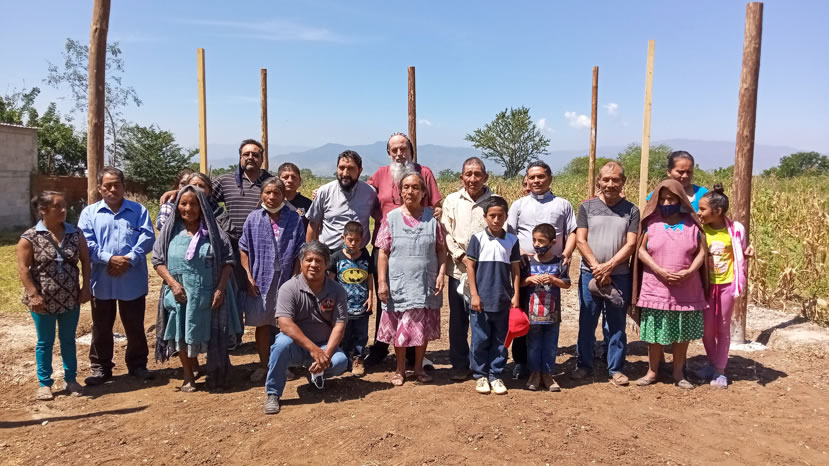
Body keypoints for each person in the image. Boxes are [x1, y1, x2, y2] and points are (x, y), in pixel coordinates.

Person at [151, 186, 239, 391]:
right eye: (183, 203)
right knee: (181, 332)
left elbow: (228, 261)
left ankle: (215, 374)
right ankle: (188, 375)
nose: (188, 208)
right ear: (177, 206)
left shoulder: (213, 231)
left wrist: (220, 289)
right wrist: (173, 285)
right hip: (179, 294)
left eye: (193, 204)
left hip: (208, 293)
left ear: (202, 207)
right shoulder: (170, 231)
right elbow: (157, 260)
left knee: (213, 333)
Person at [365, 132, 442, 366]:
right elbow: (361, 195)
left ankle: (412, 352)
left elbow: (437, 206)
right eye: (394, 150)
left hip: (419, 245)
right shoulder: (380, 174)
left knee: (418, 300)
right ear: (388, 153)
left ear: (411, 151)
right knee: (387, 297)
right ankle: (380, 347)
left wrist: (437, 214)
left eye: (403, 149)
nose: (399, 154)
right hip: (387, 244)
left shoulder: (424, 172)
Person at [78, 167, 156, 385]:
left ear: (124, 186)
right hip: (102, 280)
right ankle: (100, 368)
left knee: (135, 325)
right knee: (101, 326)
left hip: (132, 278)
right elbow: (86, 243)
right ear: (100, 188)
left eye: (117, 185)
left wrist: (128, 259)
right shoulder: (89, 213)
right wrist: (109, 259)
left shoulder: (138, 210)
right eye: (107, 186)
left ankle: (138, 365)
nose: (112, 189)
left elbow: (147, 237)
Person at [631, 180, 710, 390]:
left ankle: (678, 373)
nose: (667, 203)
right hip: (655, 288)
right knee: (655, 333)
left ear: (681, 200)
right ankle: (652, 371)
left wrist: (690, 271)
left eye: (672, 199)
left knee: (682, 333)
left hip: (687, 289)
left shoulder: (692, 224)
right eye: (663, 199)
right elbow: (640, 250)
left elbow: (702, 252)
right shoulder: (651, 223)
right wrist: (658, 269)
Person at [16, 191, 92, 400]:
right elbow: (23, 268)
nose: (63, 210)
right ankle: (44, 384)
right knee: (45, 342)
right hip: (42, 301)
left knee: (68, 340)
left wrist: (86, 288)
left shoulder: (75, 233)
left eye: (64, 205)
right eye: (57, 206)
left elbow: (86, 261)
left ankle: (71, 380)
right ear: (43, 210)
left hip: (70, 297)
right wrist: (33, 295)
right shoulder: (30, 237)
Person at [506, 160, 577, 379]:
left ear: (549, 178)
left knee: (547, 313)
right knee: (522, 314)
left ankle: (545, 367)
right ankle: (522, 362)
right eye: (532, 177)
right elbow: (510, 233)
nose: (536, 181)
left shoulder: (562, 204)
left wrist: (567, 253)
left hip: (552, 267)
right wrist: (519, 254)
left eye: (540, 176)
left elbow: (572, 232)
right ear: (527, 179)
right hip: (525, 266)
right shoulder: (519, 205)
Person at [572, 161, 639, 386]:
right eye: (606, 179)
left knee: (616, 323)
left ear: (623, 182)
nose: (610, 184)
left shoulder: (632, 210)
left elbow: (631, 244)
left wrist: (609, 266)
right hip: (589, 274)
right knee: (587, 320)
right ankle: (584, 364)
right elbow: (581, 240)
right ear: (599, 181)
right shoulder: (586, 207)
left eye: (616, 179)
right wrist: (596, 267)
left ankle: (616, 368)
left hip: (619, 275)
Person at [376, 171, 446, 386]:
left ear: (423, 192)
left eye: (415, 187)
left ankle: (418, 368)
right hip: (399, 282)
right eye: (406, 187)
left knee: (421, 326)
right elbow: (383, 252)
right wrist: (382, 282)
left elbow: (441, 249)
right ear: (400, 191)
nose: (410, 191)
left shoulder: (432, 219)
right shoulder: (391, 218)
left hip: (425, 282)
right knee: (400, 326)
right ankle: (400, 369)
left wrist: (441, 273)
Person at [263, 241, 349, 415]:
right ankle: (273, 393)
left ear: (326, 264)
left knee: (340, 361)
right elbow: (285, 324)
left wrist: (325, 355)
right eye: (309, 260)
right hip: (296, 347)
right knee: (280, 345)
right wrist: (313, 350)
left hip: (323, 344)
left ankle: (315, 374)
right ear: (301, 262)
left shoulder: (337, 290)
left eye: (319, 261)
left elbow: (339, 326)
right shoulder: (289, 288)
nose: (313, 265)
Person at [239, 178, 306, 383]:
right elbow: (244, 248)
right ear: (261, 194)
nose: (271, 197)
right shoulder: (253, 218)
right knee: (262, 323)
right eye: (267, 192)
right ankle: (264, 364)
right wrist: (249, 276)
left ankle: (282, 365)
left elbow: (300, 250)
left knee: (284, 324)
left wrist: (295, 277)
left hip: (285, 278)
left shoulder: (294, 218)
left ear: (283, 196)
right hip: (260, 278)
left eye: (276, 193)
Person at [440, 157, 495, 381]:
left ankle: (482, 364)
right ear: (461, 177)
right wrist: (460, 255)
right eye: (468, 174)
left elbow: (501, 232)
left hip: (486, 271)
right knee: (458, 320)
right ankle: (460, 364)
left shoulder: (495, 201)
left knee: (484, 319)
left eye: (477, 174)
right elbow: (446, 232)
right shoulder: (452, 201)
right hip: (458, 269)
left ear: (485, 177)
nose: (473, 179)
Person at [696, 183, 753, 388]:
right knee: (706, 329)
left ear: (718, 211)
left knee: (722, 327)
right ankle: (712, 363)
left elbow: (741, 253)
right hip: (705, 286)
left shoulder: (736, 230)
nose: (698, 212)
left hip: (727, 285)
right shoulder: (700, 229)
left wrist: (748, 253)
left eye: (702, 209)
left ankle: (720, 370)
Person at [466, 196, 521, 395]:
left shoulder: (512, 241)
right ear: (485, 217)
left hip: (503, 300)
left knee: (501, 340)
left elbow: (515, 270)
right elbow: (470, 267)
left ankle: (496, 374)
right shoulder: (477, 239)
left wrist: (516, 294)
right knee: (480, 339)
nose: (496, 220)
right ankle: (480, 375)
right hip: (481, 300)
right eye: (492, 216)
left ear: (506, 216)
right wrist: (474, 294)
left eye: (500, 216)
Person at [520, 223, 570, 392]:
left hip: (552, 314)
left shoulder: (560, 262)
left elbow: (567, 283)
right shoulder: (528, 262)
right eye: (534, 240)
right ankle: (534, 374)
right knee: (533, 344)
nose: (536, 244)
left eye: (541, 241)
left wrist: (554, 280)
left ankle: (548, 374)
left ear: (552, 242)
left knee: (550, 344)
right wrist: (528, 280)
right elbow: (519, 282)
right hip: (532, 314)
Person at [306, 150, 379, 252]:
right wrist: (311, 253)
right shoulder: (324, 192)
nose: (345, 173)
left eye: (351, 168)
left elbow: (379, 218)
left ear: (360, 171)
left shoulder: (370, 192)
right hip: (329, 254)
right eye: (342, 168)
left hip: (359, 255)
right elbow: (313, 225)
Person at [327, 221, 375, 376]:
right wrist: (332, 300)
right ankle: (344, 359)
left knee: (361, 334)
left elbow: (369, 278)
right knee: (343, 333)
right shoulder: (336, 257)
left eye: (357, 240)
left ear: (362, 240)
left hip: (361, 304)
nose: (353, 243)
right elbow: (331, 280)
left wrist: (371, 297)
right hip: (342, 306)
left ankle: (358, 359)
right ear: (343, 238)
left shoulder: (366, 257)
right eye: (350, 239)